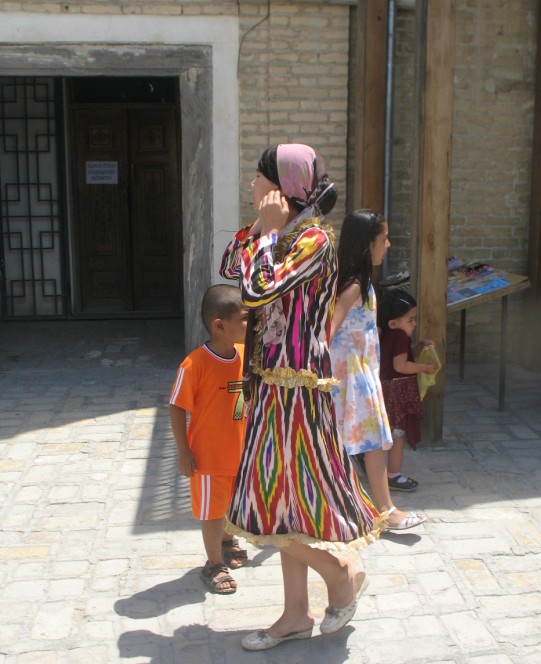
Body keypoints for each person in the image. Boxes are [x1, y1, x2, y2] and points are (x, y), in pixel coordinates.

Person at [220, 144, 384, 651]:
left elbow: (256, 290)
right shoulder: (282, 234)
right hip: (272, 384)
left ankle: (339, 575)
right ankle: (295, 612)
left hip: (297, 390)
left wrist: (269, 233)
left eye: (257, 180)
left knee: (272, 499)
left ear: (280, 188)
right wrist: (261, 229)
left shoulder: (312, 240)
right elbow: (231, 264)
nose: (251, 187)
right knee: (281, 502)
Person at [329, 209, 427, 531]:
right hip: (351, 376)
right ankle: (386, 511)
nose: (389, 244)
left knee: (364, 442)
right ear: (367, 243)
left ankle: (371, 509)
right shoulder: (355, 285)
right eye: (384, 238)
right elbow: (330, 326)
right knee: (370, 443)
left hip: (359, 372)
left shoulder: (360, 281)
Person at [169, 284, 249, 595]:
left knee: (230, 503)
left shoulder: (243, 356)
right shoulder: (194, 365)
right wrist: (183, 452)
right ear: (219, 326)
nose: (249, 325)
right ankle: (214, 564)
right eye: (244, 319)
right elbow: (177, 407)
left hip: (238, 451)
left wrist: (240, 418)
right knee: (212, 511)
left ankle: (228, 541)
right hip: (207, 457)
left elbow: (239, 395)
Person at [378, 288, 437, 491]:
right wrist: (425, 368)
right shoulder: (399, 336)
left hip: (386, 390)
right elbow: (401, 366)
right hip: (396, 394)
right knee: (398, 435)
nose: (414, 324)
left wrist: (419, 347)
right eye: (410, 320)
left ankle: (383, 474)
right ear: (394, 322)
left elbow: (402, 357)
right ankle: (394, 476)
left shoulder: (389, 334)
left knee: (387, 434)